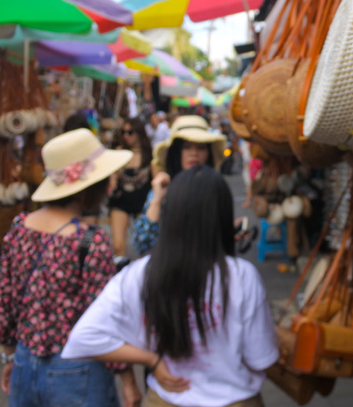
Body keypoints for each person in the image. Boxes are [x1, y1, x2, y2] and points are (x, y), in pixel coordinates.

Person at [62, 166, 279, 407]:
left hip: (166, 398)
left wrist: (151, 360)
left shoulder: (141, 273)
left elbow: (83, 338)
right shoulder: (241, 276)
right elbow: (261, 357)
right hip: (235, 399)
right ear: (222, 214)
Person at [0, 129, 141, 407]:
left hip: (25, 362)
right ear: (91, 187)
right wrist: (128, 380)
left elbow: (5, 299)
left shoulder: (19, 227)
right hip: (78, 369)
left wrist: (9, 356)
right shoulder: (89, 240)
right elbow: (105, 319)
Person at [131, 115, 226, 256]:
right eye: (186, 147)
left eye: (201, 147)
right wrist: (157, 199)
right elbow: (142, 243)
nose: (194, 153)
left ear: (208, 153)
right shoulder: (164, 188)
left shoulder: (216, 188)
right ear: (176, 152)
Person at [107, 118, 153, 259]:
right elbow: (112, 176)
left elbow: (156, 179)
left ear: (139, 133)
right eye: (123, 132)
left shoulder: (149, 154)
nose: (126, 136)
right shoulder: (119, 153)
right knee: (118, 246)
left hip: (142, 201)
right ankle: (121, 272)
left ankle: (141, 276)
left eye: (130, 132)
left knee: (144, 246)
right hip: (121, 200)